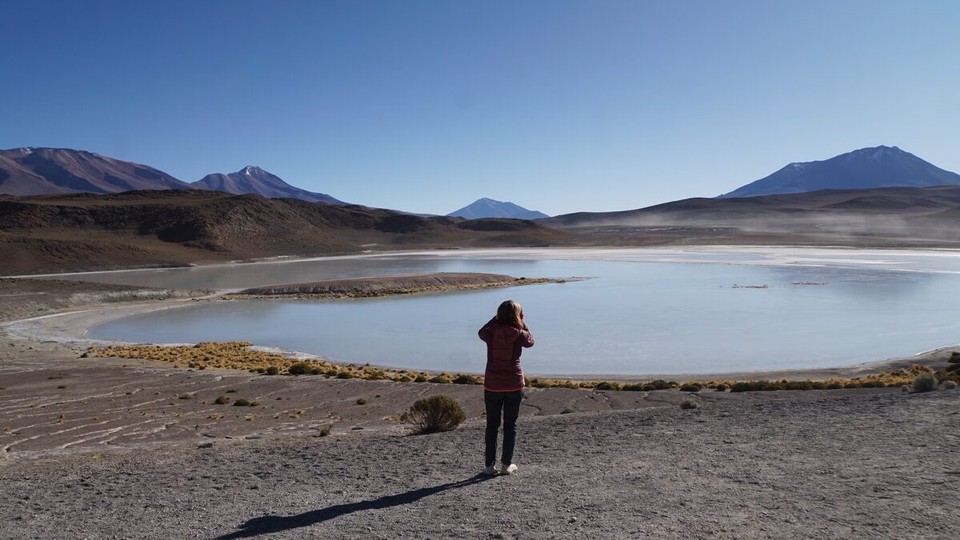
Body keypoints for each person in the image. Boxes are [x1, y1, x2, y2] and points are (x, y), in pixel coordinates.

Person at [478, 299, 534, 476]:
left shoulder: (490, 332)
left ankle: (489, 466)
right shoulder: (519, 333)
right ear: (518, 315)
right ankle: (506, 465)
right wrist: (522, 322)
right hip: (513, 384)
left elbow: (480, 331)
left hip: (493, 384)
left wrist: (496, 319)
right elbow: (531, 341)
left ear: (499, 313)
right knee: (510, 425)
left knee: (492, 425)